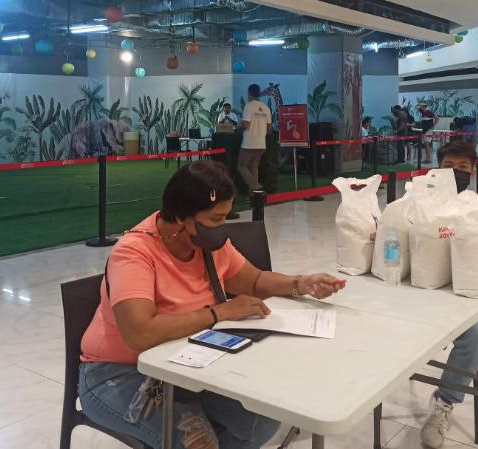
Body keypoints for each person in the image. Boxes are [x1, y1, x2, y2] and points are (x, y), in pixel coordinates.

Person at [80, 160, 346, 449]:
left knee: (263, 419)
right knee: (197, 442)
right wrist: (219, 312)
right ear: (182, 217)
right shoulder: (134, 253)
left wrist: (301, 283)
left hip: (186, 364)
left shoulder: (206, 244)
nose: (223, 227)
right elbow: (140, 333)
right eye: (216, 218)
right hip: (121, 374)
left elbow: (255, 281)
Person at [421, 140, 478, 449]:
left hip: (462, 294)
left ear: (473, 171)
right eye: (449, 166)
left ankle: (444, 402)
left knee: (474, 335)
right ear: (437, 168)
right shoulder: (418, 200)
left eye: (463, 167)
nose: (456, 172)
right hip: (420, 289)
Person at [238, 84, 271, 192]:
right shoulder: (266, 107)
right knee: (253, 168)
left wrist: (237, 128)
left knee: (241, 166)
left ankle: (255, 186)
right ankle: (255, 195)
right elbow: (269, 128)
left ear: (249, 93)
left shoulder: (249, 106)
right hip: (261, 144)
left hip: (249, 144)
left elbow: (245, 125)